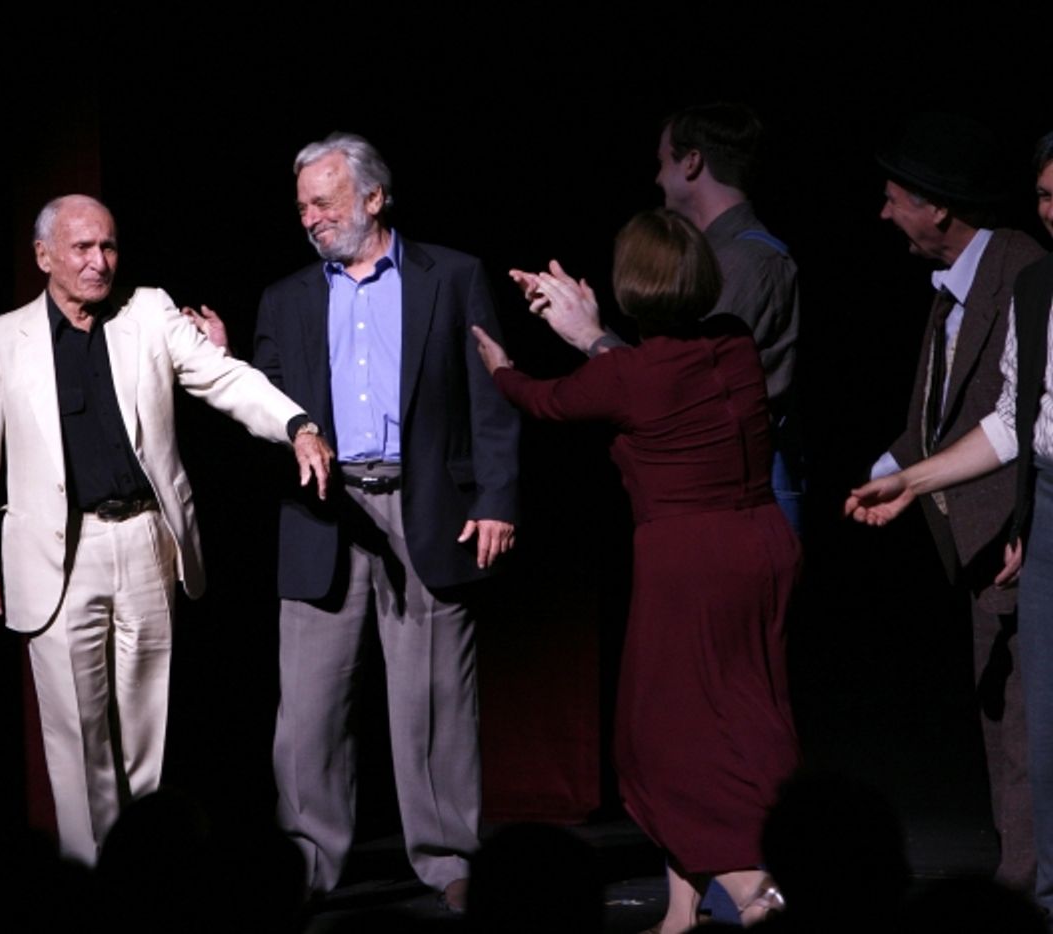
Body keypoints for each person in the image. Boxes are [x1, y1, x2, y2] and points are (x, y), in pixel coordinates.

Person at [0, 194, 333, 865]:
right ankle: (91, 884)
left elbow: (223, 377)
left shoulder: (149, 312)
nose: (99, 262)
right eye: (82, 248)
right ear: (44, 256)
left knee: (145, 733)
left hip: (149, 543)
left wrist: (296, 423)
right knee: (79, 744)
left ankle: (146, 880)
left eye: (109, 247)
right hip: (60, 557)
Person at [475, 208, 800, 934]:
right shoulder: (733, 343)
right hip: (762, 547)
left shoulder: (627, 377)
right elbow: (641, 377)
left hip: (690, 564)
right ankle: (683, 911)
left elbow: (544, 399)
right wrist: (587, 332)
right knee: (742, 716)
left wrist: (500, 365)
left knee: (660, 740)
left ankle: (758, 893)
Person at [249, 132, 520, 909]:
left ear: (374, 198)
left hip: (426, 506)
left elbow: (492, 398)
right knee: (308, 711)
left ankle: (448, 862)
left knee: (434, 700)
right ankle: (306, 863)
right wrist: (226, 363)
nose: (310, 217)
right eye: (302, 205)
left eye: (325, 201)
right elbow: (262, 408)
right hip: (323, 512)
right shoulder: (286, 297)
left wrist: (497, 498)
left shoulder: (453, 276)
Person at [848, 131, 1053, 923]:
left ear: (938, 205)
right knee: (1009, 716)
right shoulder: (973, 283)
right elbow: (989, 417)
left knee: (1029, 726)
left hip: (1017, 528)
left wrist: (1020, 523)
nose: (884, 213)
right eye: (1041, 196)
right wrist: (895, 478)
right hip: (998, 529)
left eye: (896, 197)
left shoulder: (1017, 270)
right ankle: (1026, 882)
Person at [511, 102, 804, 532]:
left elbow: (677, 390)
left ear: (692, 162)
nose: (656, 177)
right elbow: (670, 377)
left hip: (741, 498)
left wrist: (590, 336)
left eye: (662, 162)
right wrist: (582, 326)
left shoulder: (746, 260)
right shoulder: (712, 256)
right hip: (716, 492)